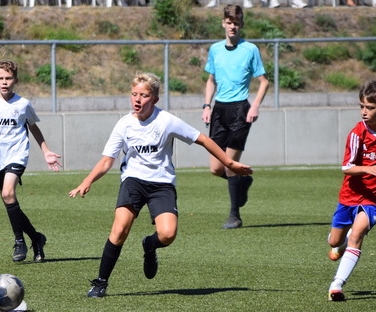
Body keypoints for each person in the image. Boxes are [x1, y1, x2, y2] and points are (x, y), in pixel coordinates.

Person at [69, 72, 253, 298]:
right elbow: (107, 160)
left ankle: (149, 245)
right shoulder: (124, 124)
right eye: (134, 94)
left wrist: (229, 163)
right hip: (133, 182)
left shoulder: (166, 121)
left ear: (154, 99)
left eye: (144, 95)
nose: (137, 99)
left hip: (161, 184)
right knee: (119, 229)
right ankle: (100, 283)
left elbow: (203, 139)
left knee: (167, 234)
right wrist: (87, 181)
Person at [0, 59, 62, 263]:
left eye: (8, 78)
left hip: (18, 154)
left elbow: (33, 127)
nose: (4, 82)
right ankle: (36, 238)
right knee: (9, 200)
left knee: (8, 193)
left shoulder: (23, 104)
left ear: (15, 80)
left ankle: (19, 241)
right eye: (1, 78)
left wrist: (46, 151)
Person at [326, 81, 376, 302]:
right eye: (362, 106)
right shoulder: (357, 133)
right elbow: (346, 167)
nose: (364, 112)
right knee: (334, 242)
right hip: (350, 195)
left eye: (370, 108)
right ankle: (341, 244)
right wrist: (367, 168)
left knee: (357, 234)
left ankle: (337, 285)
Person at [202, 4, 269, 230]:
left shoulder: (250, 49)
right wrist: (207, 106)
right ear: (223, 23)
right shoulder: (215, 49)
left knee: (230, 164)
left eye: (236, 23)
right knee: (216, 168)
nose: (232, 27)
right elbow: (211, 80)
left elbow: (264, 81)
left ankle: (234, 215)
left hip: (240, 110)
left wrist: (255, 106)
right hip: (219, 110)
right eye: (229, 22)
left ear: (242, 25)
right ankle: (243, 180)